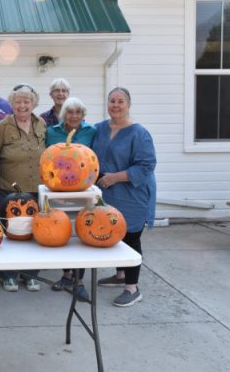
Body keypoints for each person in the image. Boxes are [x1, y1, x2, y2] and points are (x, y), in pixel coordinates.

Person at [93, 87, 156, 307]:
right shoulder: (99, 128)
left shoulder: (139, 133)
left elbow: (146, 165)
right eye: (112, 101)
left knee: (130, 237)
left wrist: (115, 178)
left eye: (121, 101)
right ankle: (120, 275)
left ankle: (132, 288)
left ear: (129, 104)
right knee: (113, 233)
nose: (116, 105)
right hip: (106, 194)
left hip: (132, 193)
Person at [0, 84, 47, 292]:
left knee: (34, 233)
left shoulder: (41, 124)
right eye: (18, 101)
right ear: (11, 104)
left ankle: (31, 274)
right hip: (8, 190)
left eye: (27, 101)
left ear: (33, 103)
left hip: (36, 189)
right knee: (9, 233)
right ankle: (8, 275)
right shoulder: (2, 127)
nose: (22, 105)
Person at [45, 97, 96, 302]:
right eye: (70, 112)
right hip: (59, 189)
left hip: (83, 190)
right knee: (62, 230)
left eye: (78, 112)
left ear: (83, 115)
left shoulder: (91, 131)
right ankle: (67, 275)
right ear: (63, 113)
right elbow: (48, 157)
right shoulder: (52, 132)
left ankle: (79, 281)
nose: (74, 116)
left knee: (82, 231)